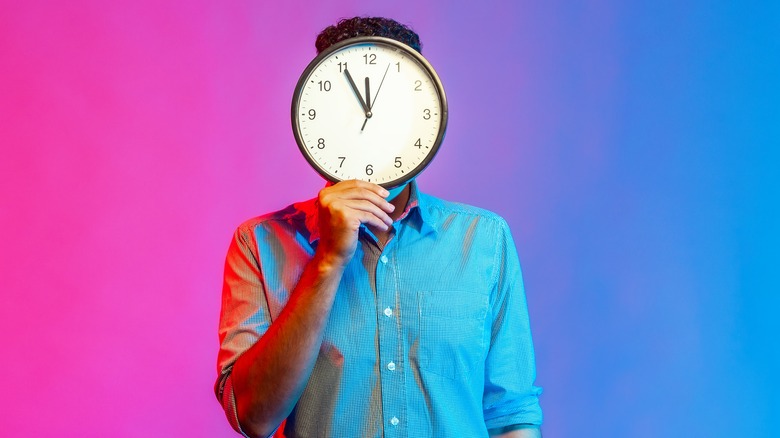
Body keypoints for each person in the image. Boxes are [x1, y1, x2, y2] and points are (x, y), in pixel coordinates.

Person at [215, 17, 543, 438]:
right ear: (318, 123)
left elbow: (512, 416)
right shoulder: (259, 244)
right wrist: (328, 262)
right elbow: (254, 418)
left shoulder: (484, 240)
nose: (372, 126)